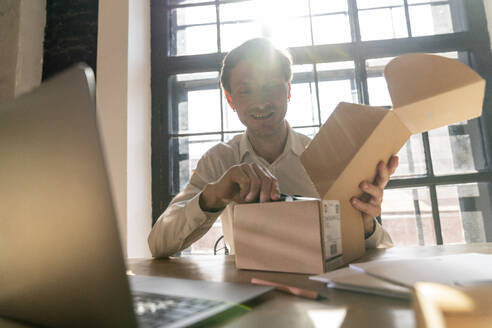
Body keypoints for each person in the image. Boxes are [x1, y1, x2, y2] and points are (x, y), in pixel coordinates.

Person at [148, 38, 397, 258]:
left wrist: (365, 226)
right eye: (246, 91)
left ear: (288, 91)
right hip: (244, 291)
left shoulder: (326, 155)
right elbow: (158, 244)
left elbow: (384, 247)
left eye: (271, 86)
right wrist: (212, 195)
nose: (260, 101)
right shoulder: (220, 159)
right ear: (230, 99)